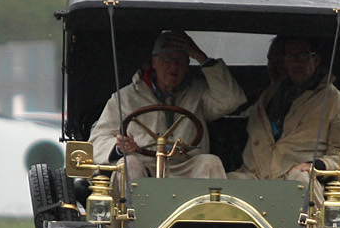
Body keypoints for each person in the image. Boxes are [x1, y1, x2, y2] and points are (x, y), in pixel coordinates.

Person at [89, 29, 246, 183]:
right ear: (154, 62)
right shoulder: (125, 97)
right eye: (168, 59)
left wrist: (202, 58)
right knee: (128, 165)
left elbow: (231, 100)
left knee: (209, 162)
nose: (174, 67)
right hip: (143, 165)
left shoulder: (197, 92)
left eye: (180, 60)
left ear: (188, 65)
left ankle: (209, 210)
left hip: (183, 166)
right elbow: (96, 142)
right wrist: (120, 147)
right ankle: (130, 209)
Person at [233, 35, 340, 180]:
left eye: (303, 56)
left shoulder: (338, 104)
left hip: (297, 180)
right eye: (290, 57)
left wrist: (315, 166)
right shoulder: (270, 94)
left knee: (300, 180)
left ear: (316, 60)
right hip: (255, 177)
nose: (296, 63)